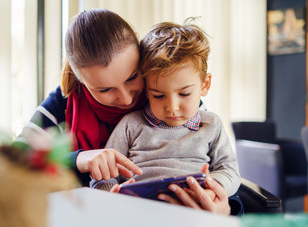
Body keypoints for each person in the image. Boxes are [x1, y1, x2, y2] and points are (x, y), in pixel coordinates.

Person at [16, 8, 231, 214]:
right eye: (105, 89)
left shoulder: (166, 93)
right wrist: (79, 160)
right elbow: (9, 162)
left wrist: (226, 206)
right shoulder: (61, 105)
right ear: (81, 79)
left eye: (132, 77)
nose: (127, 98)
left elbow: (210, 163)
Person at [90, 20, 242, 215]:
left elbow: (229, 170)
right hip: (138, 213)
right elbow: (103, 176)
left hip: (193, 211)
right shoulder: (131, 124)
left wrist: (213, 190)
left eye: (184, 94)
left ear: (205, 85)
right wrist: (111, 196)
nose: (172, 107)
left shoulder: (211, 125)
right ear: (146, 89)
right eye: (158, 95)